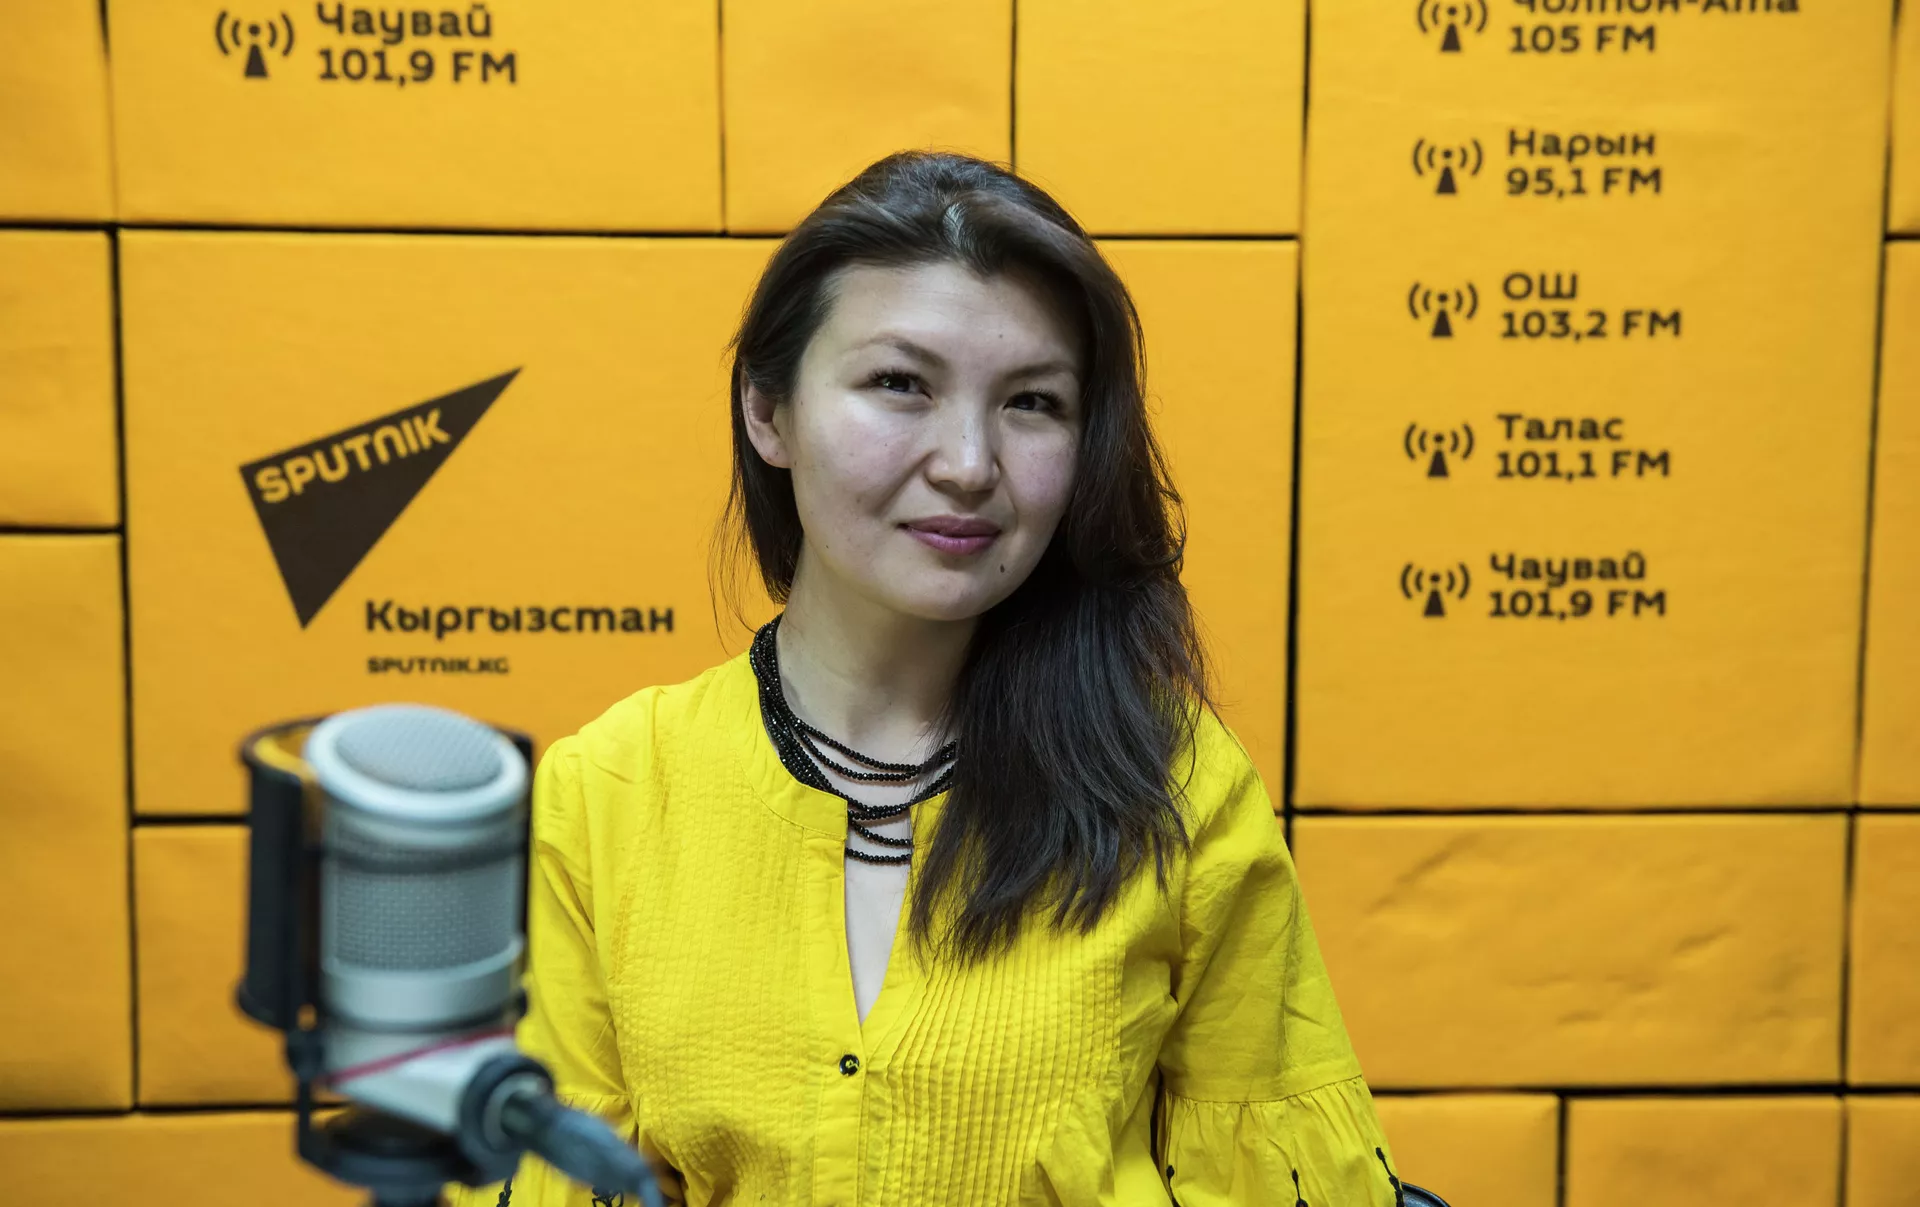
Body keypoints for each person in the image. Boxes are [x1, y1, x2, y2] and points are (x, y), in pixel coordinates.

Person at [449, 151, 1401, 1206]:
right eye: (900, 384)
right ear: (768, 410)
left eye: (1033, 402)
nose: (968, 463)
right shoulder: (606, 794)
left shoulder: (1175, 784)